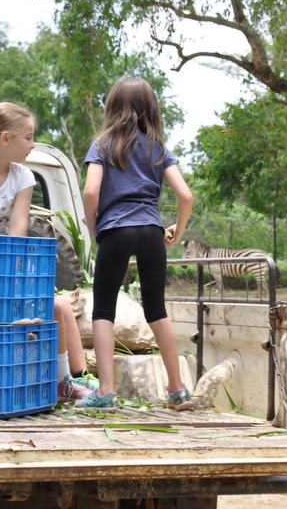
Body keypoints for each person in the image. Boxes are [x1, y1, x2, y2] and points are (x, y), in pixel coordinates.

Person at [0, 102, 96, 401]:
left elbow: (18, 228)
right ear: (5, 138)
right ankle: (66, 382)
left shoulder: (23, 177)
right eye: (27, 137)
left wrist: (13, 275)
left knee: (61, 306)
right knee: (56, 307)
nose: (32, 143)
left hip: (6, 265)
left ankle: (75, 378)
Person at [77, 77, 194, 410]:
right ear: (150, 109)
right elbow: (185, 195)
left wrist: (94, 226)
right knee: (157, 310)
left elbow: (90, 192)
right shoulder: (158, 148)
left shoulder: (102, 145)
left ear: (112, 107)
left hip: (115, 230)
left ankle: (106, 394)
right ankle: (178, 390)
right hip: (151, 231)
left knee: (102, 311)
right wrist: (178, 232)